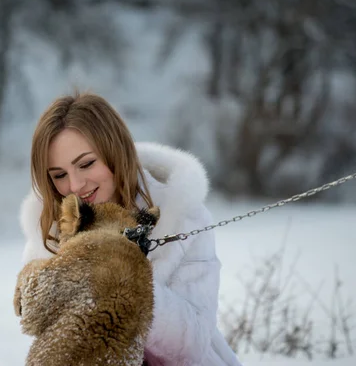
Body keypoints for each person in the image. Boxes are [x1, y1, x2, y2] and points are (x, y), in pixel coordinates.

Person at [18, 91, 243, 366]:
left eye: (87, 164)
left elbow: (193, 343)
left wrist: (124, 279)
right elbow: (41, 325)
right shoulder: (52, 228)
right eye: (60, 175)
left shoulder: (181, 214)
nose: (75, 186)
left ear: (114, 151)